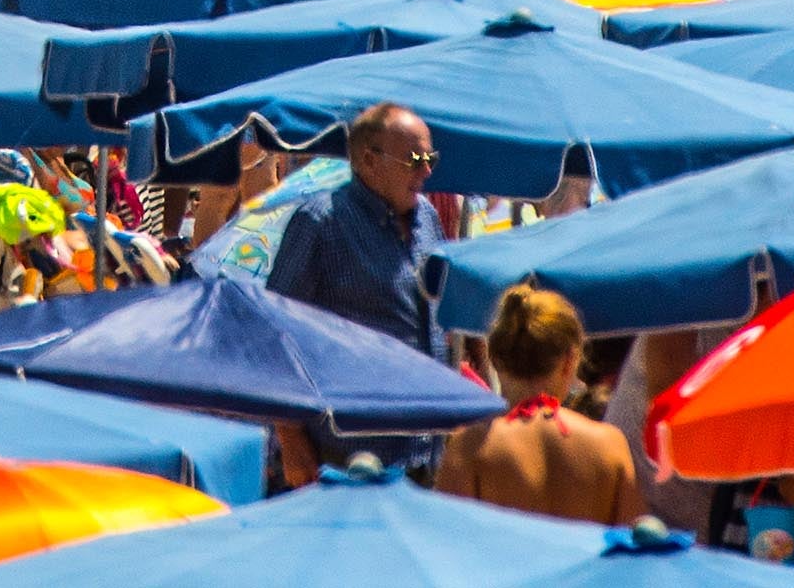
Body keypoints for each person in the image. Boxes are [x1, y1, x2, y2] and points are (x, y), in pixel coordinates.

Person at [438, 283, 638, 524]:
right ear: (570, 360)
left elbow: (443, 538)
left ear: (495, 358)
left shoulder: (470, 447)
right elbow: (636, 539)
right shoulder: (609, 445)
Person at [266, 102, 446, 351]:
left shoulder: (427, 216)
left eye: (430, 159)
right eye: (415, 160)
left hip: (430, 375)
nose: (426, 171)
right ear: (370, 161)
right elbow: (276, 321)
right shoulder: (321, 221)